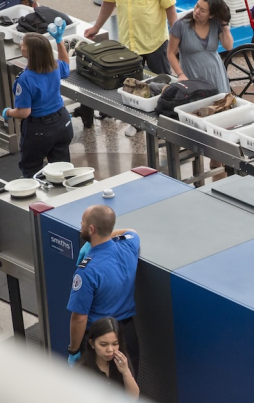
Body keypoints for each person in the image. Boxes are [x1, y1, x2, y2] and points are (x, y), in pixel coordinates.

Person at [67, 205, 141, 381]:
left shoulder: (87, 270)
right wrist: (106, 232)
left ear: (91, 229)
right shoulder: (129, 246)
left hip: (99, 340)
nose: (80, 225)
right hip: (127, 336)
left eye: (83, 222)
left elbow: (79, 318)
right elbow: (132, 231)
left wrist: (74, 350)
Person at [79, 0, 177, 129]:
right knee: (131, 86)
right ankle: (136, 124)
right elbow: (108, 3)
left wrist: (177, 40)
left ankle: (168, 125)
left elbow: (170, 9)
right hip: (129, 45)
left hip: (155, 42)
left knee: (165, 86)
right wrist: (96, 27)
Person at [2, 30, 73, 178]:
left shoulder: (26, 79)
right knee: (62, 170)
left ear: (31, 53)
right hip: (63, 123)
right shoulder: (54, 66)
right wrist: (59, 41)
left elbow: (24, 112)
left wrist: (8, 112)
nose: (21, 46)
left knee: (31, 170)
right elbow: (66, 65)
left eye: (23, 45)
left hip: (39, 130)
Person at [168, 0, 233, 93]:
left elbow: (229, 46)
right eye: (196, 6)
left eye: (202, 10)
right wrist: (180, 74)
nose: (197, 11)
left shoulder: (216, 24)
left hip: (216, 74)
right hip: (192, 75)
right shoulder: (181, 25)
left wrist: (224, 24)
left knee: (221, 104)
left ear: (211, 15)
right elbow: (171, 53)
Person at [76, 317, 140, 400]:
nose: (110, 350)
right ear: (92, 343)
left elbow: (134, 397)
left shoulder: (121, 362)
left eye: (115, 344)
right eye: (103, 344)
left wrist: (126, 372)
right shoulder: (82, 369)